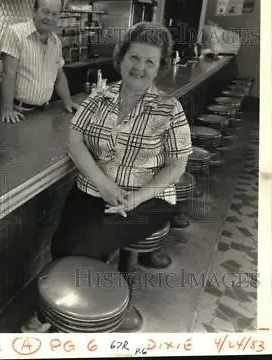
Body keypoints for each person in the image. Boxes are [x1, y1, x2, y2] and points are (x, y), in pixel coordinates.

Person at [21, 21, 193, 333]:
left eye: (149, 61)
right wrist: (104, 184)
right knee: (63, 241)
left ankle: (70, 317)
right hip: (95, 188)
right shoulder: (100, 98)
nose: (139, 68)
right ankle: (70, 307)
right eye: (134, 58)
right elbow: (74, 140)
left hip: (148, 198)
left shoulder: (169, 108)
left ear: (159, 67)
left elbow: (177, 165)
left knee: (89, 241)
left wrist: (134, 197)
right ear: (121, 58)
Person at [0, 0, 79, 123]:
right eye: (45, 11)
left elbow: (59, 75)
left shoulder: (56, 41)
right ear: (34, 11)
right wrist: (7, 109)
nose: (49, 18)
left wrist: (67, 101)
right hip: (19, 113)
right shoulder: (15, 33)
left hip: (44, 111)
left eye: (54, 14)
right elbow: (9, 73)